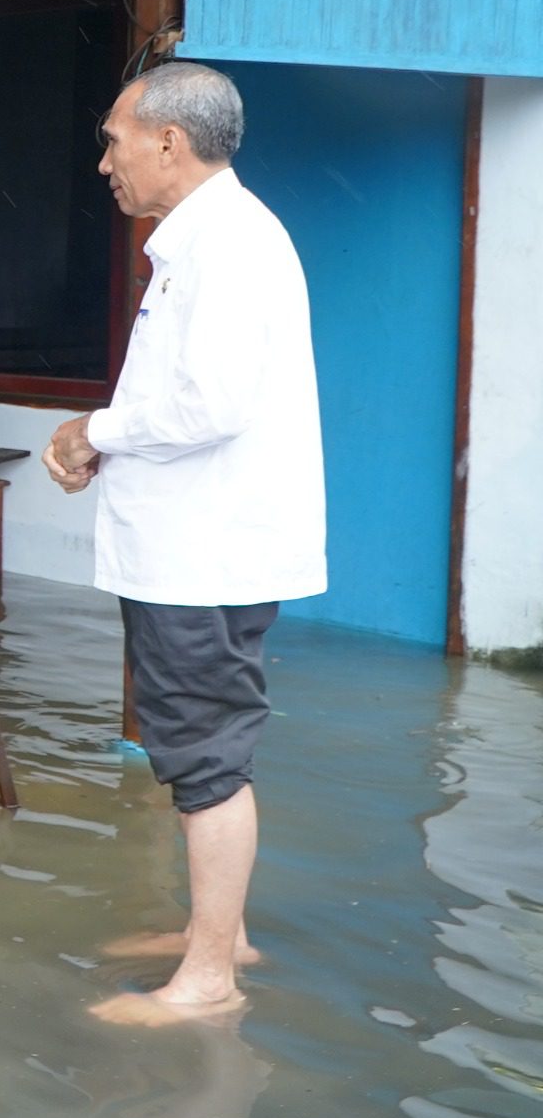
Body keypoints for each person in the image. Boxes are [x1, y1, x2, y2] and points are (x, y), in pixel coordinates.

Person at [44, 62, 324, 1027]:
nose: (104, 163)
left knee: (205, 752)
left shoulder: (229, 246)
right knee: (201, 743)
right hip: (199, 542)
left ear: (169, 140)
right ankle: (224, 934)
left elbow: (207, 403)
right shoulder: (203, 240)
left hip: (205, 553)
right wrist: (108, 442)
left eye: (114, 139)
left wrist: (94, 433)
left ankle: (210, 980)